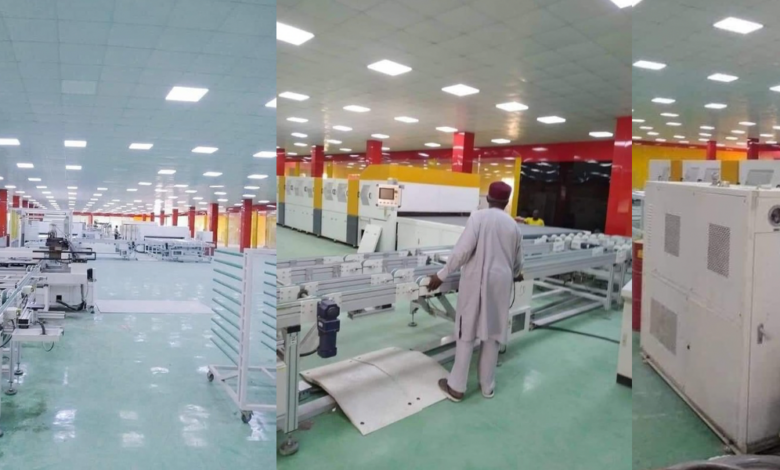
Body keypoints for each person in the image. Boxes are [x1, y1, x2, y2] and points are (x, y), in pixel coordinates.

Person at [428, 181, 523, 401]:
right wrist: (515, 273)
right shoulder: (513, 226)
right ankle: (487, 386)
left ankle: (457, 387)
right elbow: (518, 262)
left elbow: (462, 252)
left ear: (488, 199)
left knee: (466, 330)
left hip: (477, 282)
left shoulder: (478, 218)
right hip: (501, 284)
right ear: (507, 202)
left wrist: (441, 275)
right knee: (493, 332)